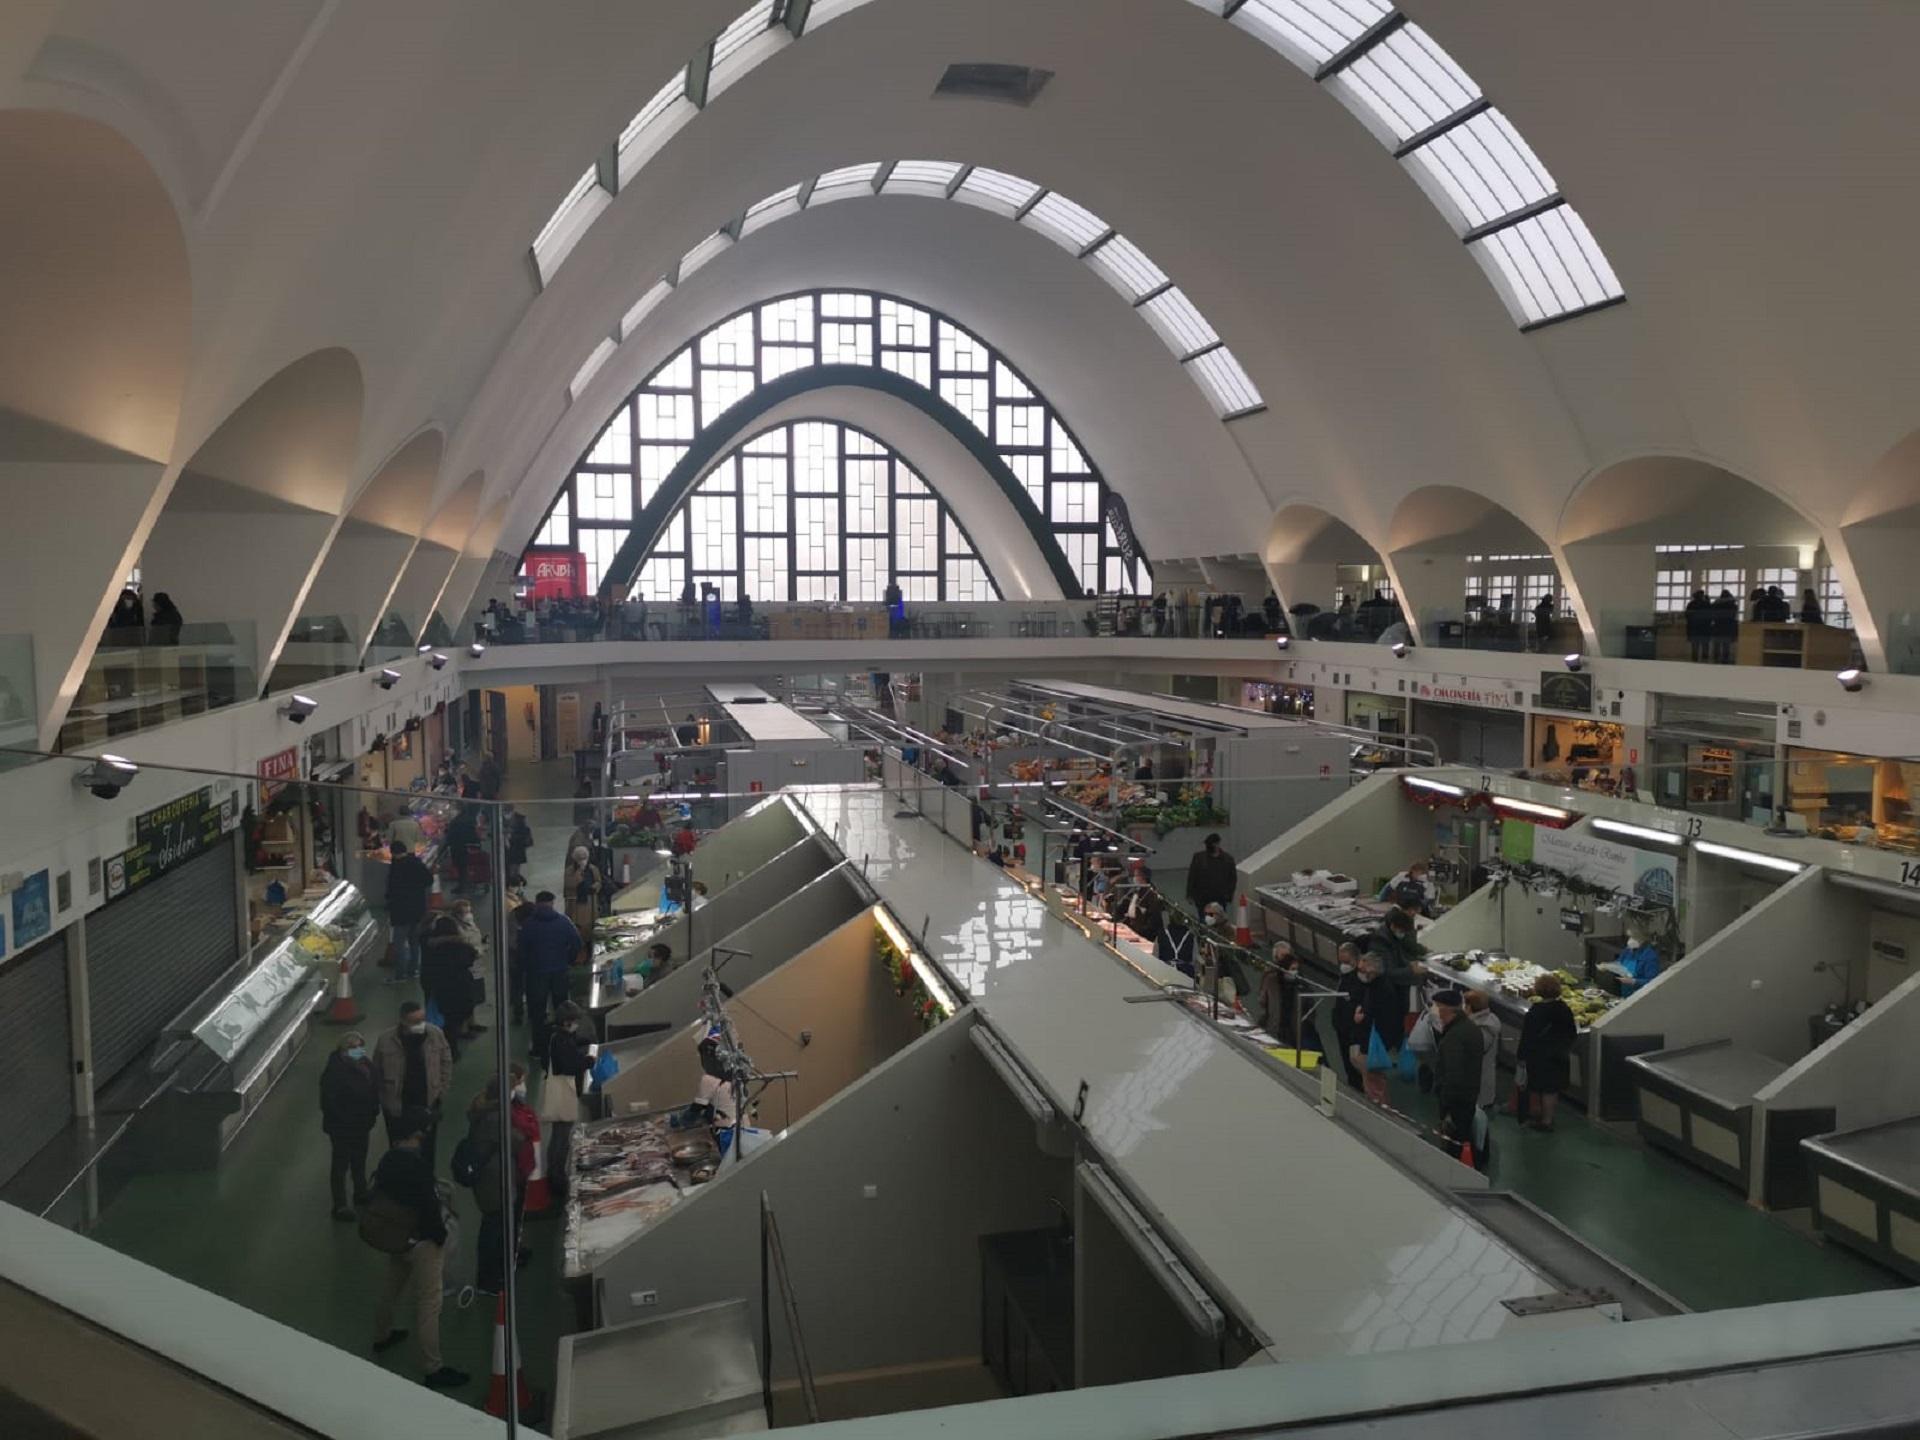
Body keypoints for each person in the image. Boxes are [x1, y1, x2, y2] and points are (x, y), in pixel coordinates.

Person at [368, 1108, 468, 1390]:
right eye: (421, 1133)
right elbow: (429, 1210)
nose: (424, 1137)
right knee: (429, 1303)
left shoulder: (387, 1161)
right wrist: (439, 1238)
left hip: (396, 1237)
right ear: (413, 1136)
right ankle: (432, 1367)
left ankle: (382, 1334)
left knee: (391, 1287)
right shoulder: (418, 1167)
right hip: (422, 1242)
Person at [464, 1068, 538, 1296]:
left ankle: (503, 1263)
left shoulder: (489, 1110)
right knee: (493, 1229)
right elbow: (517, 1140)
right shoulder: (496, 1118)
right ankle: (487, 1281)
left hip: (497, 1177)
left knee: (500, 1225)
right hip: (494, 1181)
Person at [372, 1003, 453, 1163]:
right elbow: (377, 1071)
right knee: (398, 1150)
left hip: (428, 1103)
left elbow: (446, 1061)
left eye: (422, 1019)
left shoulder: (435, 1034)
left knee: (428, 1149)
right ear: (403, 1021)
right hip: (398, 1106)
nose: (420, 1025)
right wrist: (385, 1099)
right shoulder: (386, 1040)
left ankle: (426, 1182)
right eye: (415, 1021)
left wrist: (441, 1090)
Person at [319, 1031, 379, 1220]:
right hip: (343, 1127)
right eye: (353, 1047)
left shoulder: (365, 1064)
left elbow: (373, 1088)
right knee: (341, 1165)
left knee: (359, 1160)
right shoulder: (335, 1071)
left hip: (362, 1123)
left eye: (360, 1046)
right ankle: (340, 1205)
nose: (358, 1050)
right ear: (343, 1050)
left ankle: (360, 1192)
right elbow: (329, 1102)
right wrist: (346, 1120)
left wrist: (372, 1112)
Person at [520, 891, 583, 1062]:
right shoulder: (564, 922)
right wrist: (567, 960)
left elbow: (522, 950)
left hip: (536, 975)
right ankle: (566, 1046)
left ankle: (539, 1049)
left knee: (538, 1013)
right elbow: (577, 943)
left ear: (537, 903)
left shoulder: (529, 924)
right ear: (552, 903)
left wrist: (529, 966)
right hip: (559, 972)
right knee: (563, 1010)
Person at [1515, 973, 1578, 1131]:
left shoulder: (1535, 1012)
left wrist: (1521, 1057)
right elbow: (1572, 1032)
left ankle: (1535, 1115)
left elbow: (1527, 1037)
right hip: (1559, 1055)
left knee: (1537, 1087)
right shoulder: (1564, 1009)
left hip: (1539, 1057)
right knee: (1551, 1089)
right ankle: (1547, 1120)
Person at [544, 1003, 593, 1198]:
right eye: (575, 1022)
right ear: (566, 1022)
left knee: (559, 1134)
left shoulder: (558, 1036)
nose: (577, 1025)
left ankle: (555, 1175)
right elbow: (569, 1065)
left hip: (560, 1089)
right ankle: (557, 1180)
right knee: (561, 1138)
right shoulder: (561, 1041)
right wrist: (588, 1061)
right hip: (563, 1091)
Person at [1428, 990, 1483, 1158]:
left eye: (1437, 1006)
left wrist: (1446, 1101)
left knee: (1454, 1139)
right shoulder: (1469, 1028)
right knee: (1463, 1133)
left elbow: (1453, 1072)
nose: (1434, 1010)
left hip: (1456, 1098)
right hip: (1468, 1093)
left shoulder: (1455, 1036)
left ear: (1447, 1009)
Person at [420, 915, 477, 1060]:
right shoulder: (462, 947)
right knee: (457, 1018)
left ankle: (450, 1049)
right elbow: (473, 956)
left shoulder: (431, 948)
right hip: (462, 986)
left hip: (442, 988)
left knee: (446, 1020)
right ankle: (454, 1044)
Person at [1349, 950, 1400, 1104]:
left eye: (1362, 969)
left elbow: (1379, 1019)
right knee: (1372, 1081)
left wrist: (1361, 1018)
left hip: (1374, 1044)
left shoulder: (1380, 990)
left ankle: (1382, 1111)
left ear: (1372, 969)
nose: (1361, 973)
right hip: (1374, 1043)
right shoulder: (1377, 987)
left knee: (1374, 1084)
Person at [1367, 906, 1428, 1028]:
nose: (1403, 935)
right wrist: (1411, 969)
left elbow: (1398, 957)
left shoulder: (1392, 935)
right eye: (1402, 931)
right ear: (1393, 926)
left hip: (1396, 991)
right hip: (1387, 993)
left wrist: (1409, 963)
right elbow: (1388, 972)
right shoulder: (1380, 942)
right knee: (1392, 1024)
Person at [385, 841, 434, 984]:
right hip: (418, 908)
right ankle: (413, 970)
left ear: (393, 853)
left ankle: (400, 975)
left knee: (399, 943)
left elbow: (392, 890)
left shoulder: (396, 867)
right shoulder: (417, 863)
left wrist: (389, 903)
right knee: (414, 942)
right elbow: (428, 880)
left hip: (401, 910)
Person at [1464, 989, 1500, 1174]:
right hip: (1482, 1077)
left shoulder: (1484, 1027)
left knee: (1479, 1121)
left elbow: (1477, 1049)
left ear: (1470, 1007)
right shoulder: (1489, 1020)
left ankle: (1480, 1154)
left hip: (1479, 1079)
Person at [1332, 941, 1367, 1091]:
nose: (1343, 965)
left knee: (1357, 1061)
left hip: (1354, 1027)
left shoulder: (1360, 980)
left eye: (1346, 961)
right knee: (1347, 1060)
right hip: (1342, 1026)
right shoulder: (1345, 977)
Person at [1259, 940, 1303, 1046]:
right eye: (1283, 955)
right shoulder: (1271, 978)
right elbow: (1263, 999)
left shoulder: (1299, 981)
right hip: (1276, 1024)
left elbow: (1262, 1000)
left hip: (1291, 1027)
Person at [1185, 832, 1237, 914]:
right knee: (1204, 921)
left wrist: (1228, 895)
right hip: (1202, 898)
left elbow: (1232, 879)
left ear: (1217, 844)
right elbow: (1192, 876)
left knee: (1218, 921)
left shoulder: (1228, 860)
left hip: (1220, 897)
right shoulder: (1198, 858)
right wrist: (1189, 894)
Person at [564, 845, 601, 935]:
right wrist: (578, 875)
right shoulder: (570, 871)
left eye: (584, 858)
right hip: (576, 903)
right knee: (578, 925)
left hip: (590, 901)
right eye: (580, 858)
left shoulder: (593, 869)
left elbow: (598, 881)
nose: (582, 861)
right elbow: (569, 884)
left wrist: (594, 887)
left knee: (590, 924)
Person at [503, 805, 532, 888]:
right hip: (504, 851)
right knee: (506, 871)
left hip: (516, 850)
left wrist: (511, 836)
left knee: (513, 872)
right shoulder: (498, 817)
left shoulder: (521, 818)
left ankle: (514, 886)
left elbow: (525, 833)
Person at [1710, 587, 1738, 663]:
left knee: (1717, 643)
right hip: (1728, 626)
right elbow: (1734, 615)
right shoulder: (1732, 605)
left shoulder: (1716, 604)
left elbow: (1712, 613)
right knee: (1726, 643)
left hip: (1718, 625)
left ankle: (1716, 658)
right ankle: (1725, 658)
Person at [1684, 588, 1712, 662]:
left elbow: (1687, 615)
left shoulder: (1691, 604)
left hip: (1694, 628)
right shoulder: (1707, 604)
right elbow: (1711, 616)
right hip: (1705, 628)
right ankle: (1704, 660)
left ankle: (1694, 660)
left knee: (1695, 646)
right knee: (1705, 645)